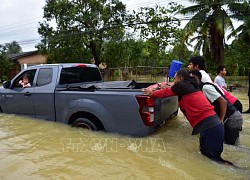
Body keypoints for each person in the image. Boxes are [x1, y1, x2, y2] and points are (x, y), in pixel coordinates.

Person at [142, 69, 232, 164]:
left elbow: (166, 92)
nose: (173, 81)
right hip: (213, 126)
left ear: (180, 78)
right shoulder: (190, 85)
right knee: (210, 160)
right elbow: (171, 87)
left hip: (210, 128)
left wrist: (152, 93)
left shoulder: (181, 86)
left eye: (175, 78)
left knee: (214, 162)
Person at [190, 70, 243, 145]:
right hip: (232, 117)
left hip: (232, 118)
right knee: (228, 145)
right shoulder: (201, 88)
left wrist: (221, 120)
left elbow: (223, 102)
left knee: (230, 146)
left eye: (190, 79)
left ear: (196, 78)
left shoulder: (206, 88)